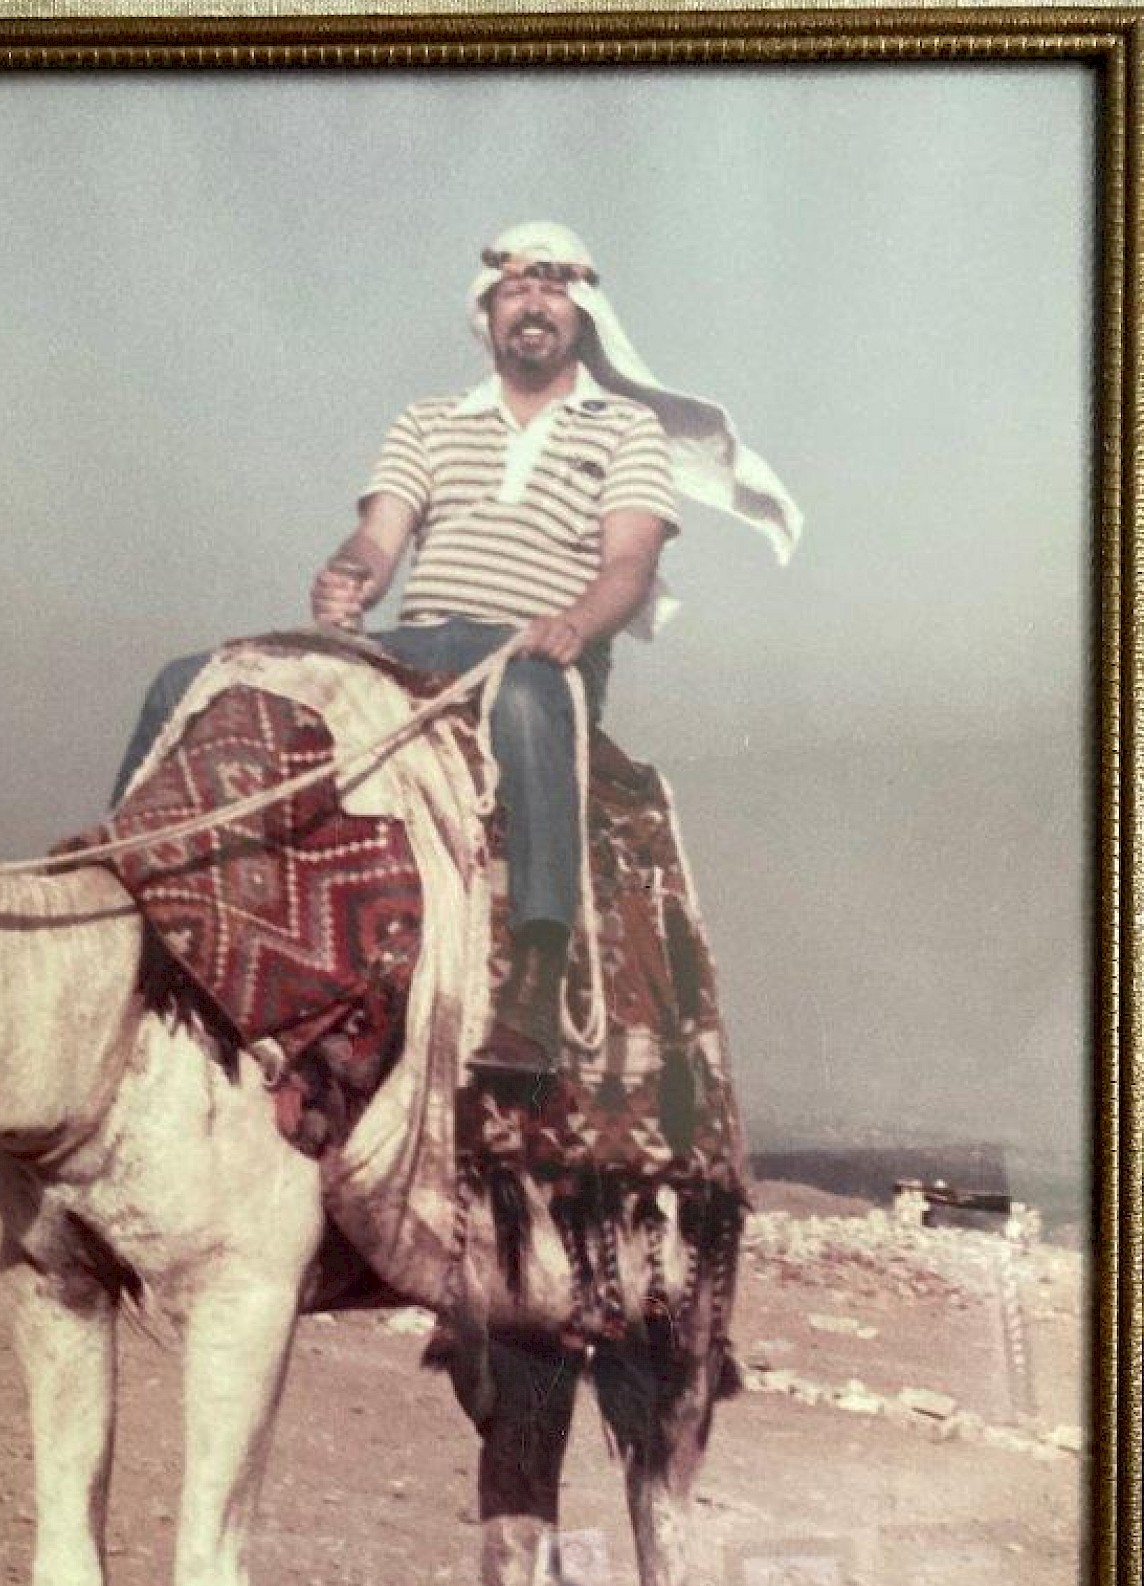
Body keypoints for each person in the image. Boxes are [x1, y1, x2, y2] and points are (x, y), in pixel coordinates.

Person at [117, 220, 801, 1074]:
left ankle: (536, 979)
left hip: (538, 653)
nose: (533, 305)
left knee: (525, 693)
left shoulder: (623, 430)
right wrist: (348, 574)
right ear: (489, 312)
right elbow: (379, 535)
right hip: (418, 647)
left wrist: (574, 626)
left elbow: (629, 563)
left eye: (551, 289)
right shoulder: (431, 420)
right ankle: (123, 894)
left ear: (581, 311)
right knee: (195, 677)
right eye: (515, 289)